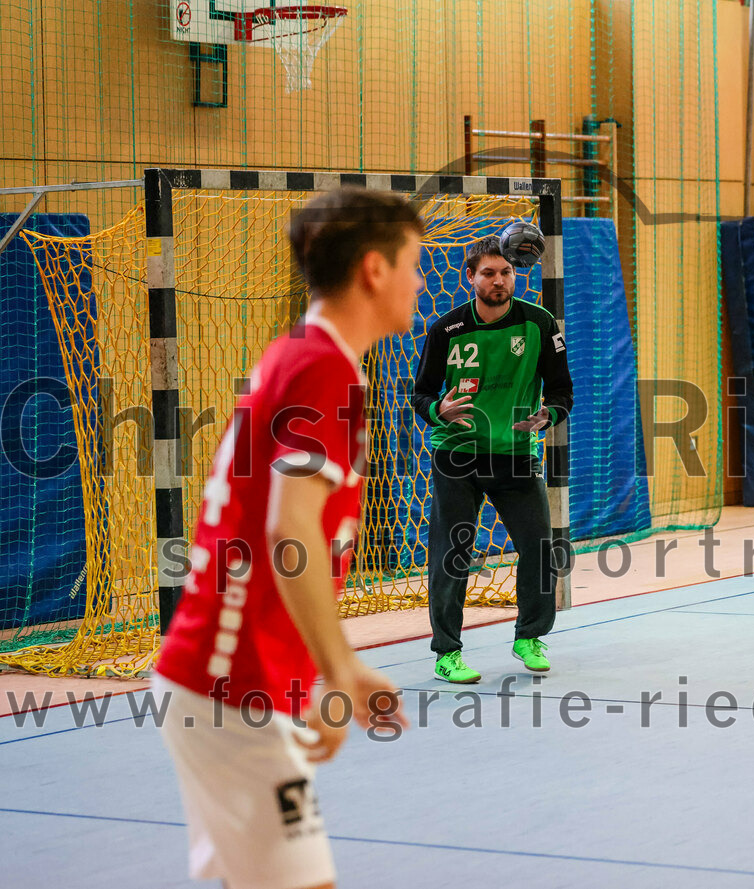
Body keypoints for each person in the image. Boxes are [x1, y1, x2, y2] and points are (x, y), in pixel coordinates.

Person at [153, 187, 422, 889]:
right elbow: (289, 527)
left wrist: (307, 679)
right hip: (230, 683)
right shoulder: (322, 367)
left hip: (237, 679)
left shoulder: (299, 353)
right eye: (414, 264)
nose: (421, 281)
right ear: (374, 269)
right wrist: (339, 670)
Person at [412, 234, 573, 684]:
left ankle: (529, 636)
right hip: (457, 457)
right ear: (470, 278)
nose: (498, 280)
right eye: (488, 273)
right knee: (452, 555)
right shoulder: (446, 329)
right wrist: (436, 410)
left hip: (516, 456)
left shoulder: (540, 324)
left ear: (515, 273)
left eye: (505, 272)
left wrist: (549, 414)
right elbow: (421, 393)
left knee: (540, 548)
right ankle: (447, 652)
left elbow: (562, 389)